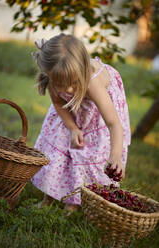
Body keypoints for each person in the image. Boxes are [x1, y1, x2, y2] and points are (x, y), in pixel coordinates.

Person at [31, 33, 131, 213]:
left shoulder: (92, 82)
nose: (68, 90)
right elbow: (59, 102)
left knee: (87, 153)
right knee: (57, 147)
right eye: (61, 84)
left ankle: (74, 201)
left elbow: (114, 123)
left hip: (98, 116)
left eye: (72, 83)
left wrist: (115, 156)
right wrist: (72, 128)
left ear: (82, 71)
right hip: (69, 113)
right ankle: (50, 195)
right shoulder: (54, 75)